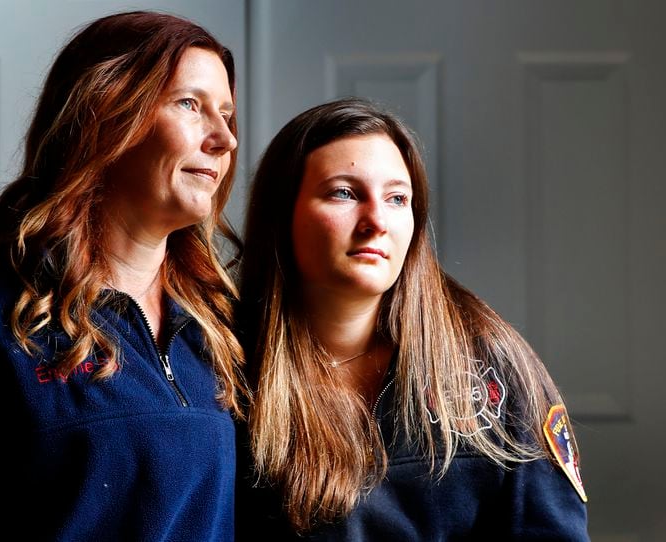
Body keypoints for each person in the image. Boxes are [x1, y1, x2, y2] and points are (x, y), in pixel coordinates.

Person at [0, 11, 247, 540]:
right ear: (104, 113)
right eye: (190, 105)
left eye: (227, 114)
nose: (224, 139)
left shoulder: (222, 326)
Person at [236, 98, 589, 540]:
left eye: (397, 198)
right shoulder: (225, 366)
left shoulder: (491, 367)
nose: (376, 221)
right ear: (282, 213)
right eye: (344, 193)